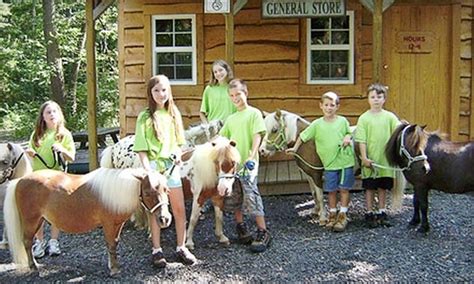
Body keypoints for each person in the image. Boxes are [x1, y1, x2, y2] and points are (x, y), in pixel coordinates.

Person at [133, 74, 197, 268]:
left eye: (164, 90)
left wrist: (178, 154)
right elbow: (142, 149)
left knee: (178, 209)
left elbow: (179, 143)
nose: (161, 94)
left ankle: (181, 247)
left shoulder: (173, 113)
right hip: (153, 168)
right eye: (156, 91)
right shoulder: (145, 116)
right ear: (150, 93)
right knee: (156, 209)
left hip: (171, 168)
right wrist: (148, 172)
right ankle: (156, 249)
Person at [286, 92, 355, 232]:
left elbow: (349, 132)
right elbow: (303, 136)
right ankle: (332, 213)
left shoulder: (342, 121)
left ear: (337, 107)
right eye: (326, 105)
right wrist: (295, 148)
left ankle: (343, 215)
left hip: (345, 162)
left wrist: (348, 137)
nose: (329, 108)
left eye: (332, 105)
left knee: (344, 189)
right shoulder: (317, 124)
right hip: (329, 164)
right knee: (330, 191)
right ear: (321, 106)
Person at [219, 78, 271, 253]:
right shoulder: (231, 118)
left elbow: (257, 135)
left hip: (249, 164)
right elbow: (222, 137)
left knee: (251, 194)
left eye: (238, 94)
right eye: (232, 95)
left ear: (245, 93)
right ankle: (240, 226)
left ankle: (263, 231)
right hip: (234, 166)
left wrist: (251, 154)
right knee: (235, 196)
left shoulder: (254, 113)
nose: (235, 98)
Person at [26, 100, 76, 258]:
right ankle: (39, 241)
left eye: (55, 111)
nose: (52, 115)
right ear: (43, 116)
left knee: (55, 211)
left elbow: (72, 157)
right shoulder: (36, 135)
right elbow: (30, 151)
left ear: (60, 114)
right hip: (38, 180)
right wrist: (30, 153)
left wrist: (62, 150)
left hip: (57, 179)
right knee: (38, 212)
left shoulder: (64, 134)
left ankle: (54, 241)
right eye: (48, 112)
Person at [354, 83, 400, 228]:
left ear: (384, 99)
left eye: (379, 97)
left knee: (382, 187)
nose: (376, 100)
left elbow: (398, 131)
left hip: (385, 161)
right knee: (369, 188)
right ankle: (369, 213)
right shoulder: (364, 118)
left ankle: (381, 212)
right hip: (370, 160)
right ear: (368, 99)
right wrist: (364, 158)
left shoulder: (390, 117)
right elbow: (361, 140)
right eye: (373, 97)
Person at [199, 59, 236, 124]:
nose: (218, 73)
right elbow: (202, 113)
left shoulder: (234, 87)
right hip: (214, 128)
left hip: (231, 126)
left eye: (220, 70)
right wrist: (207, 126)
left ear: (227, 70)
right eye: (215, 72)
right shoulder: (209, 89)